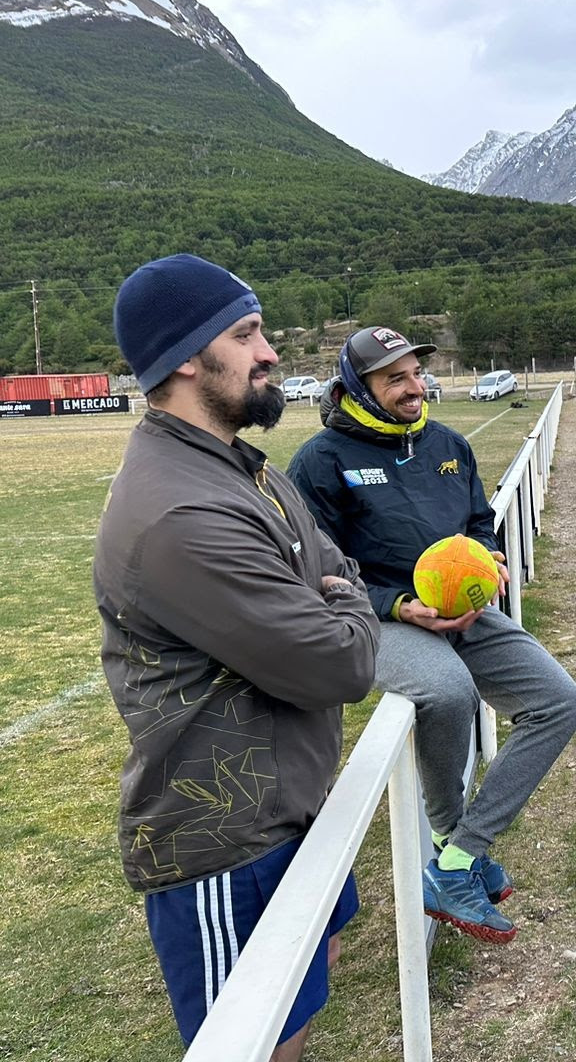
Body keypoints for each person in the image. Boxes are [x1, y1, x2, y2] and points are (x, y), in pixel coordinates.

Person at [94, 254, 379, 1059]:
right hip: (223, 845)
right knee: (257, 1046)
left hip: (290, 809)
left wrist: (336, 587)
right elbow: (341, 665)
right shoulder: (180, 510)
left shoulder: (244, 470)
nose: (271, 352)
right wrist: (339, 593)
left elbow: (337, 566)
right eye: (247, 334)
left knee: (300, 1002)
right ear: (186, 356)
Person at [289, 327, 576, 946]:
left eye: (416, 372)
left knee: (560, 703)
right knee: (448, 691)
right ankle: (456, 844)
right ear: (357, 389)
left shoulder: (448, 444)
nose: (413, 387)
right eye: (394, 378)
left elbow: (481, 523)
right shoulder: (321, 461)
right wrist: (397, 604)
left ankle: (455, 860)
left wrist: (490, 560)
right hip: (383, 618)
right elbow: (313, 573)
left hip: (468, 612)